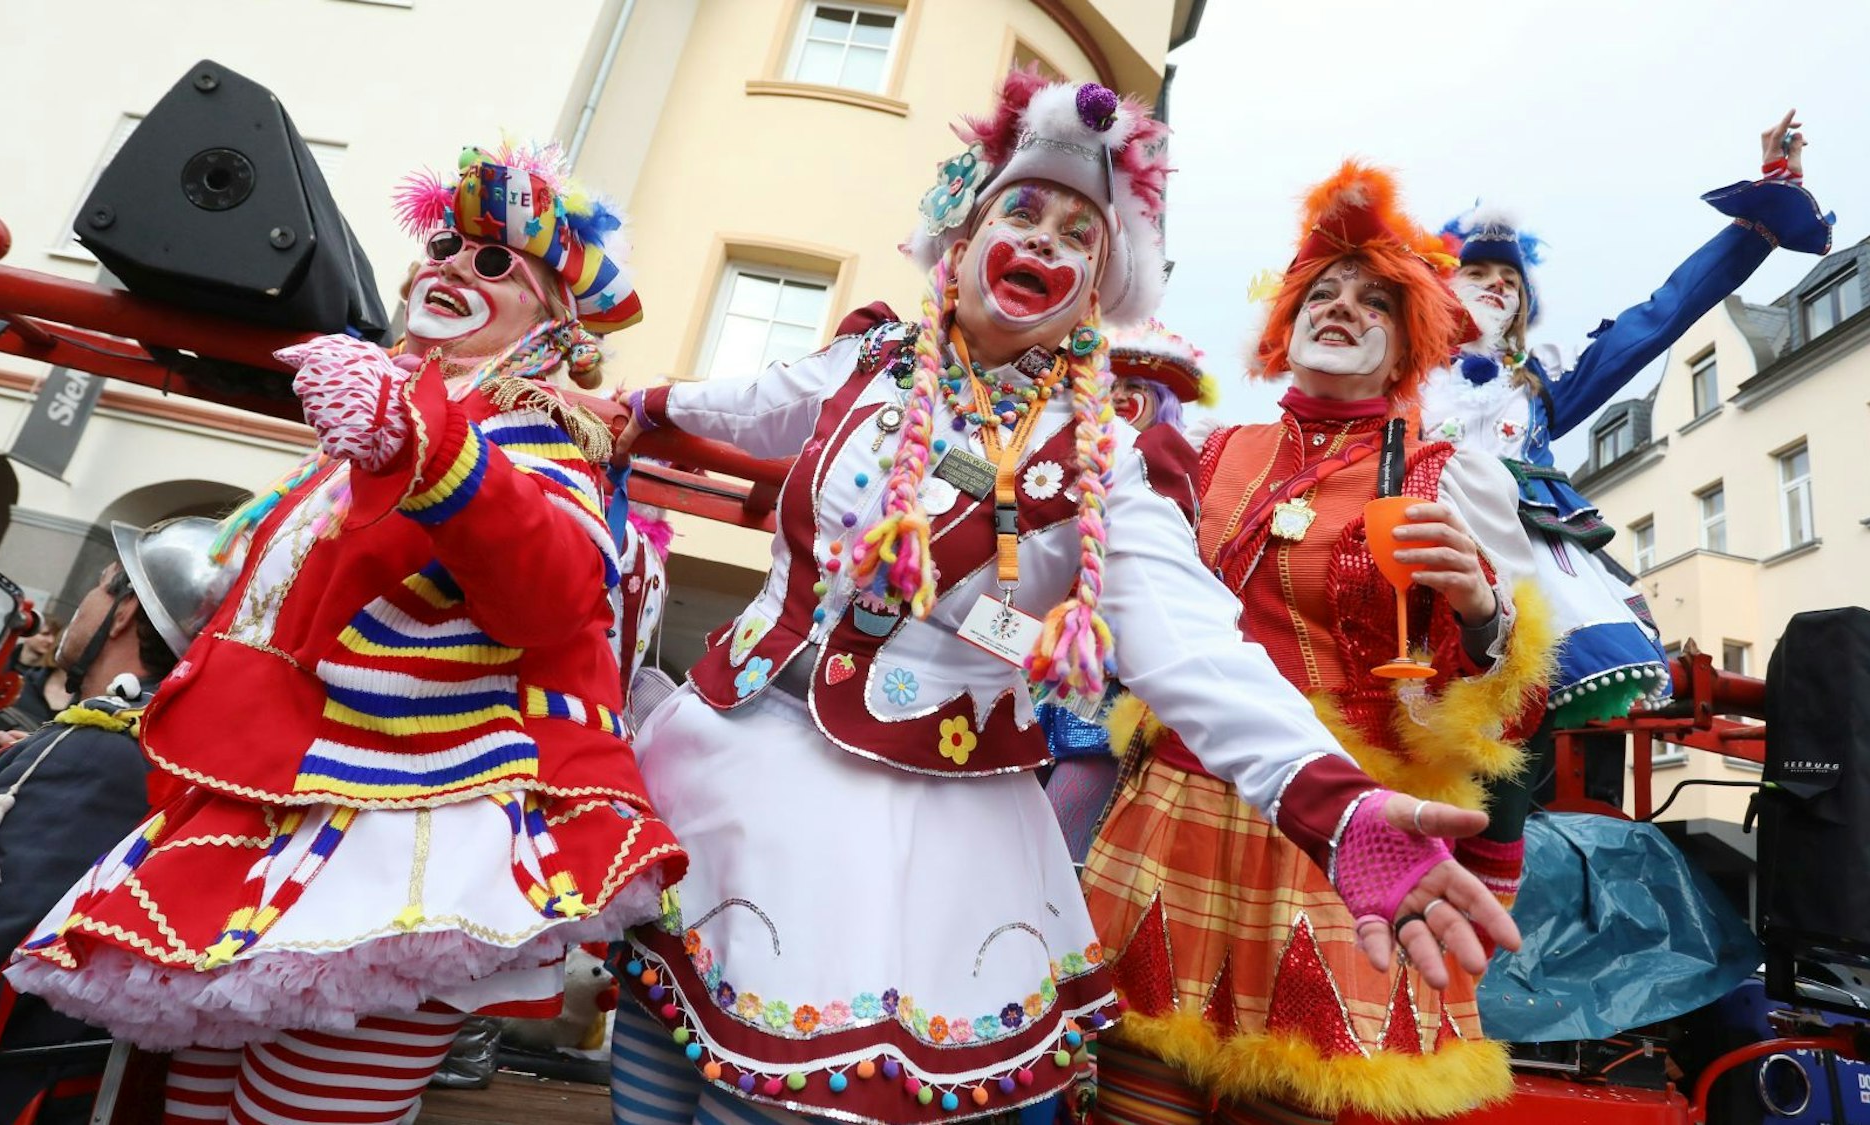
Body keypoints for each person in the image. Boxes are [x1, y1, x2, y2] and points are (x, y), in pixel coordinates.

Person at [609, 72, 1517, 1125]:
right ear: (964, 236)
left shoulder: (1105, 457)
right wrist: (616, 411)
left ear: (1095, 288)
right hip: (726, 747)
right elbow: (745, 406)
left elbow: (1184, 644)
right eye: (1022, 212)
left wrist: (1334, 805)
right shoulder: (867, 359)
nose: (1044, 241)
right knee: (656, 1025)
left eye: (1078, 235)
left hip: (904, 807)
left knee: (785, 1087)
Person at [4, 141, 685, 1125]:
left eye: (495, 263)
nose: (452, 264)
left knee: (302, 1114)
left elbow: (552, 590)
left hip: (415, 823)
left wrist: (422, 444)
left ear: (553, 320)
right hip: (282, 813)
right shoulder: (386, 424)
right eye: (446, 244)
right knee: (194, 1105)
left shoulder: (529, 436)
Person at [1081, 162, 1553, 1125]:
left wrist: (1480, 610)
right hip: (1176, 809)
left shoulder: (1448, 476)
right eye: (1322, 293)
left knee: (1295, 1105)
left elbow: (1515, 707)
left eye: (1372, 299)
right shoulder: (1207, 455)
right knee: (1132, 1104)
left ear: (1405, 349)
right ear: (1284, 324)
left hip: (1351, 833)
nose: (1340, 307)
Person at [1420, 110, 1832, 755]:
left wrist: (1761, 217)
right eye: (1478, 275)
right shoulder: (1385, 375)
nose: (1498, 288)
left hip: (1525, 578)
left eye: (1510, 282)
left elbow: (1660, 316)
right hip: (1411, 572)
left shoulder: (1539, 387)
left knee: (1506, 754)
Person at [0, 518, 228, 1125]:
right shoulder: (150, 743)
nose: (83, 603)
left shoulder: (102, 749)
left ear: (120, 614)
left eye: (97, 586)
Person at [1041, 319, 1214, 863]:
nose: (1114, 399)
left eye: (1131, 390)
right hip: (1036, 661)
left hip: (1108, 680)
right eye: (1108, 387)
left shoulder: (1173, 466)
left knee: (1055, 844)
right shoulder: (1055, 450)